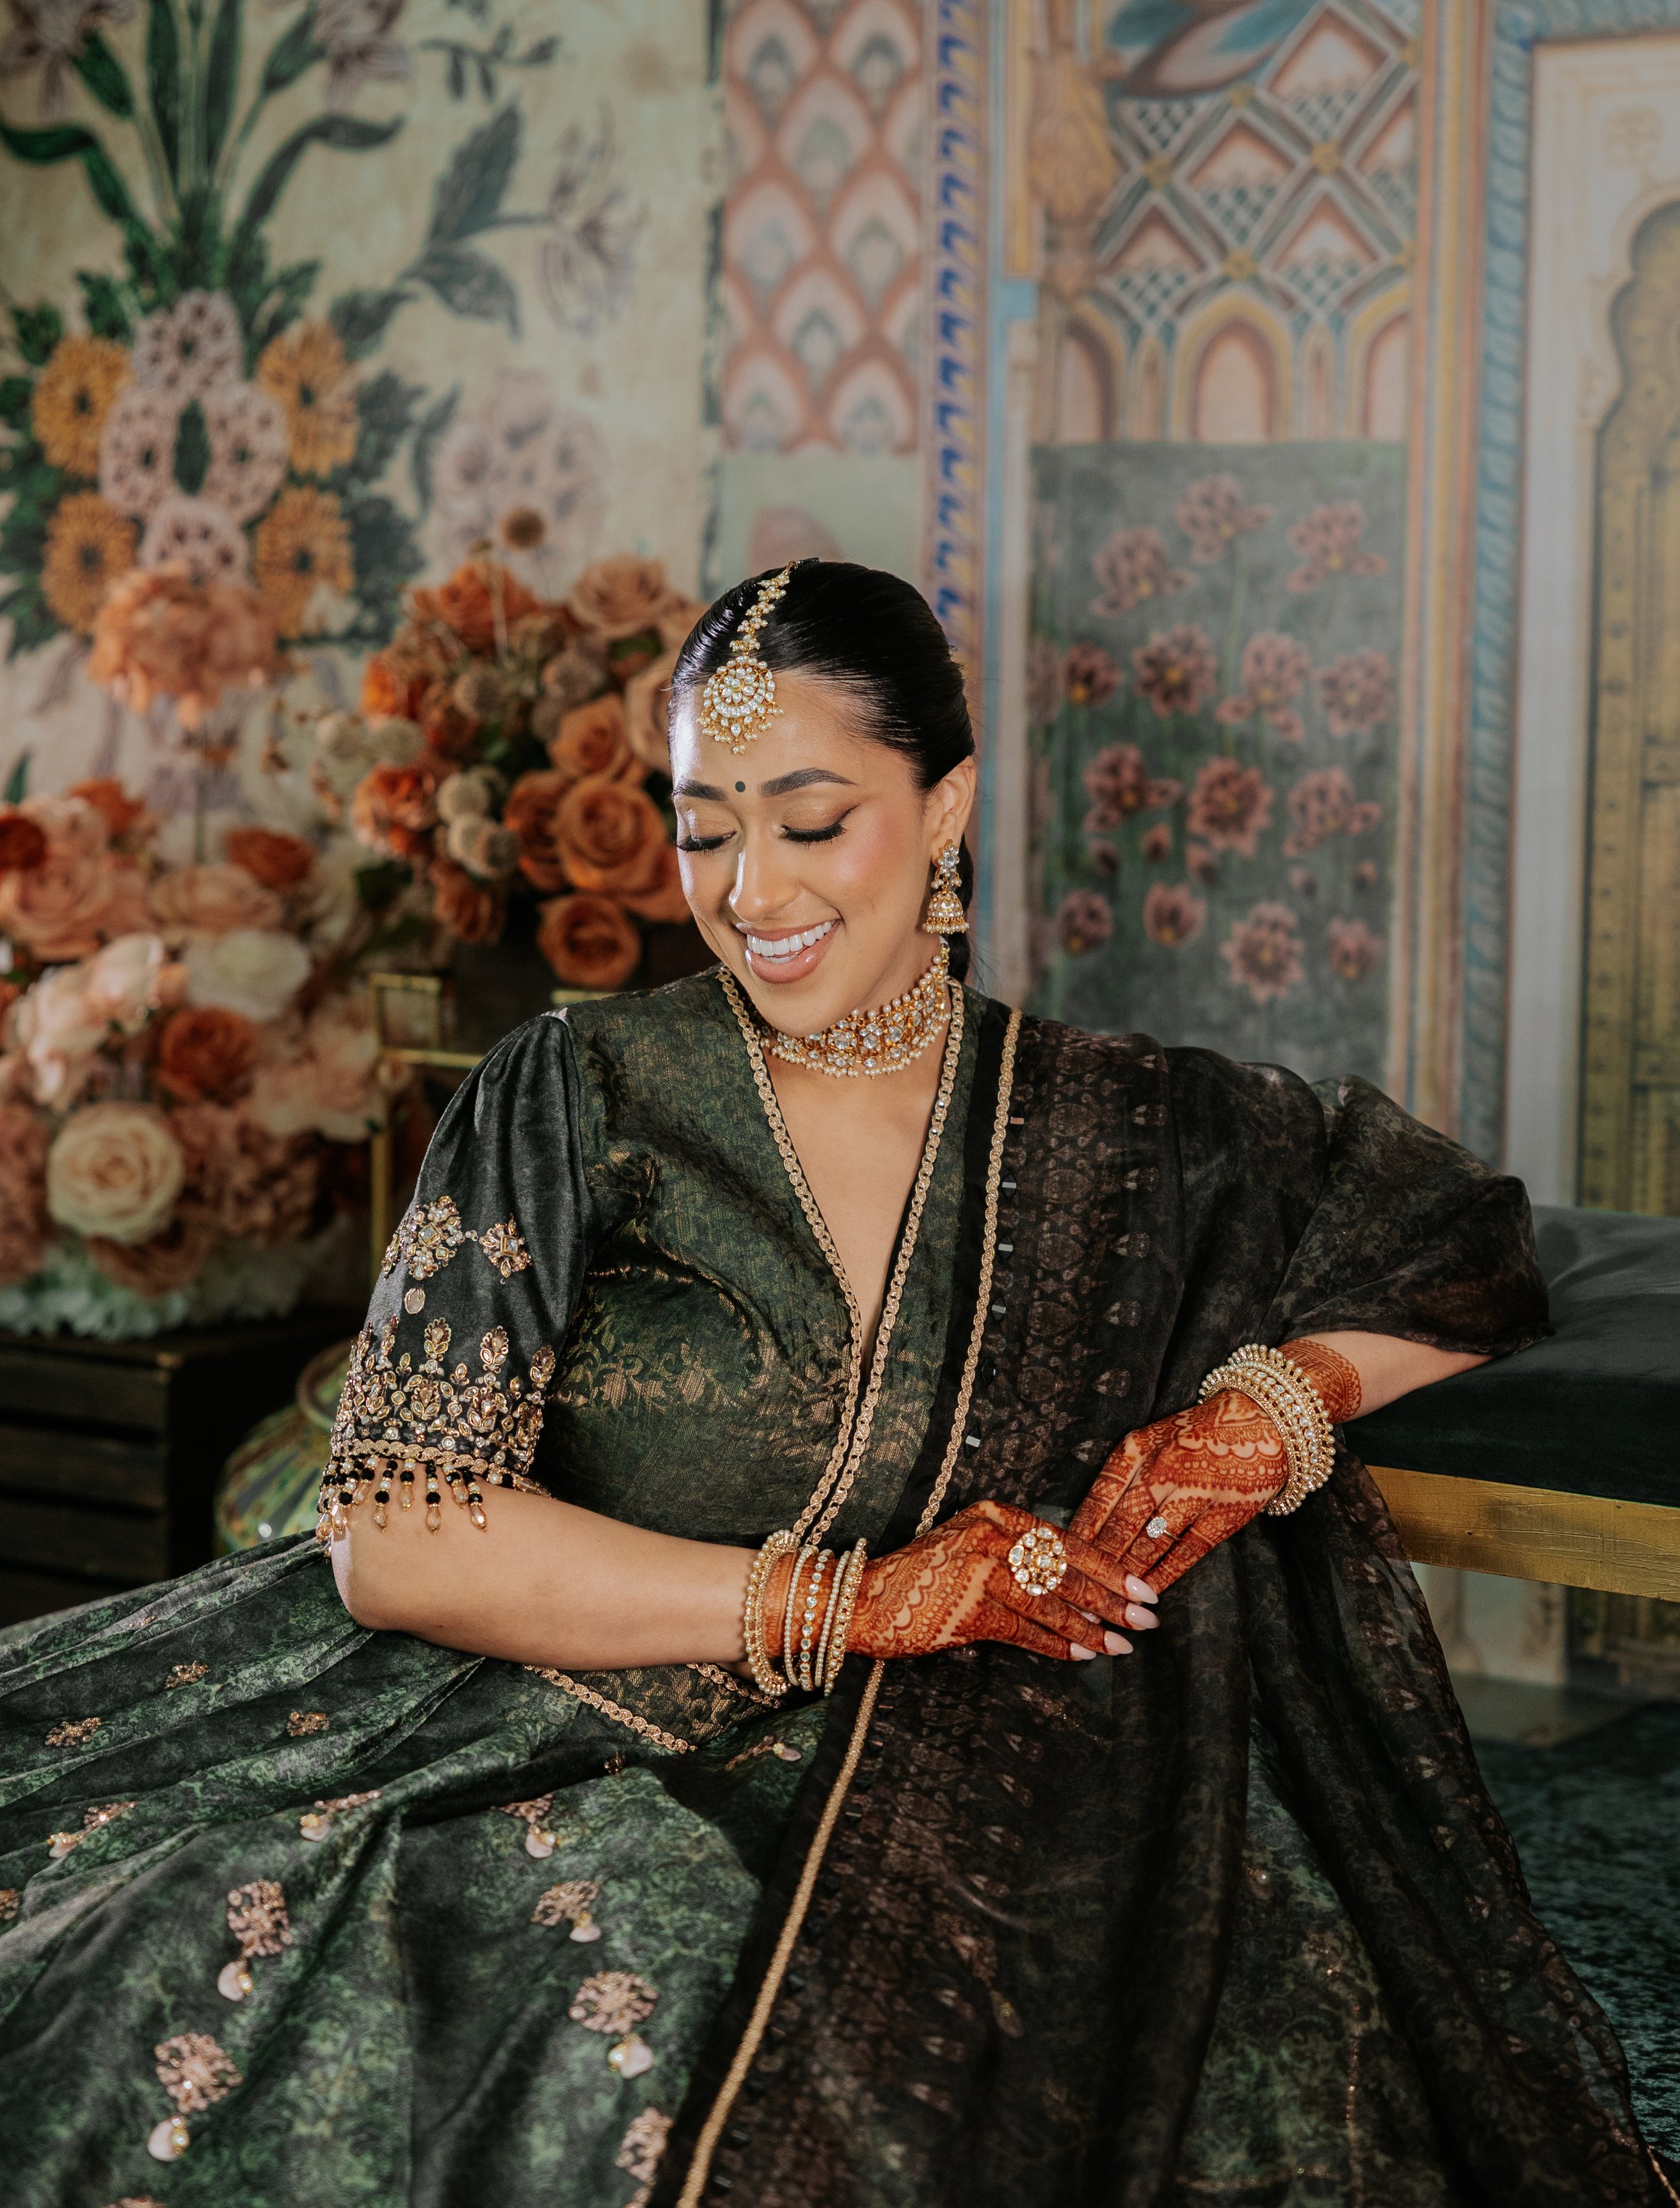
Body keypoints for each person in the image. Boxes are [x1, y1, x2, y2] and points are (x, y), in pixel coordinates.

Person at [0, 561, 1668, 2208]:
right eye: (702, 824)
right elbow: (401, 1537)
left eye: (809, 821)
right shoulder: (580, 1088)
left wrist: (1270, 1406)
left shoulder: (1128, 1124)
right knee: (147, 1951)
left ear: (944, 809)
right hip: (528, 1699)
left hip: (960, 1764)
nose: (747, 889)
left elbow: (1455, 1237)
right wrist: (857, 1602)